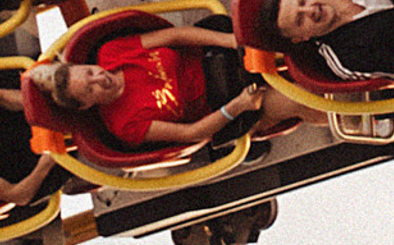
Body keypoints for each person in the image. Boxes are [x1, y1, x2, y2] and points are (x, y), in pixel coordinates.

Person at [35, 17, 263, 150]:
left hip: (212, 54)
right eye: (89, 89)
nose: (99, 78)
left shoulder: (110, 52)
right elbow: (190, 133)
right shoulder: (124, 126)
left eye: (90, 72)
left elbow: (175, 36)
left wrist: (229, 41)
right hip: (224, 101)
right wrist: (238, 106)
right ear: (85, 104)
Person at [0, 77, 55, 210]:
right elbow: (19, 195)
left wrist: (39, 105)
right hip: (45, 166)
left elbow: (0, 96)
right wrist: (49, 161)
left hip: (35, 116)